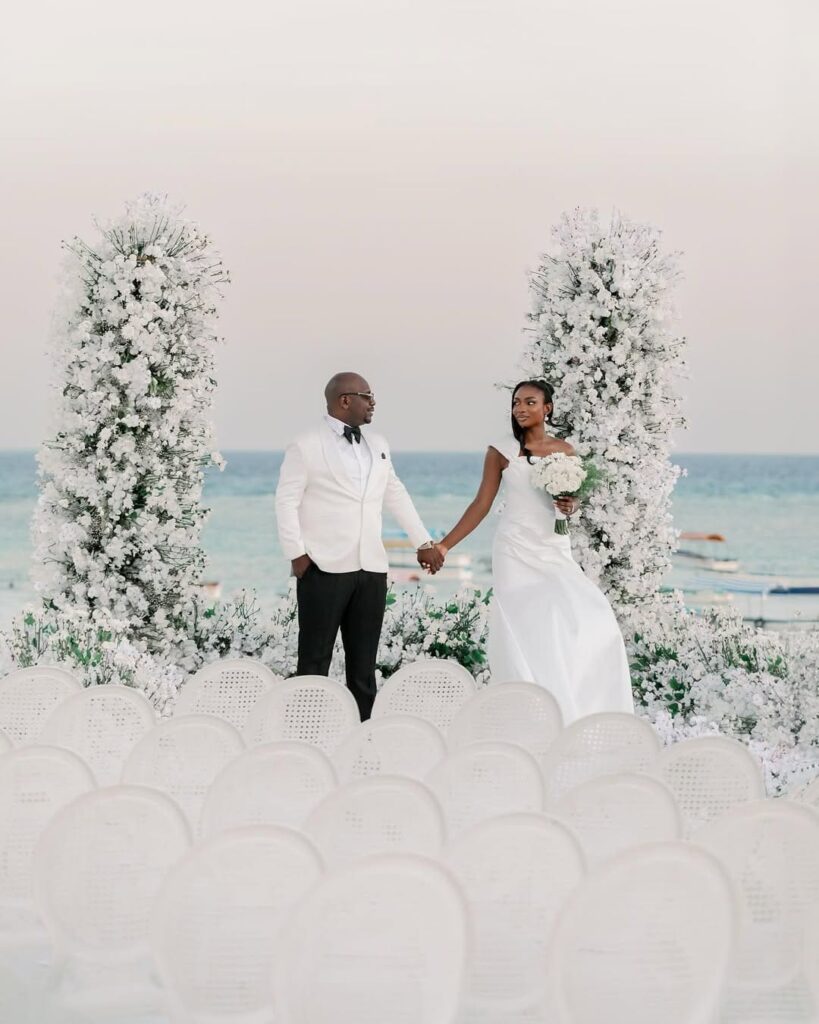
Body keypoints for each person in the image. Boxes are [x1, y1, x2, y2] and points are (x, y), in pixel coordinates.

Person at [433, 379, 634, 723]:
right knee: (523, 625)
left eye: (529, 402)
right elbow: (482, 503)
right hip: (514, 549)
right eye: (516, 403)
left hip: (554, 546)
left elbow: (570, 506)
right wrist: (445, 545)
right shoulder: (501, 451)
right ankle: (524, 712)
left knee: (589, 615)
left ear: (547, 408)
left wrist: (569, 506)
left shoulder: (565, 452)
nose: (520, 409)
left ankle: (575, 706)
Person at [275, 372, 443, 720]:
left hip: (371, 569)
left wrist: (423, 541)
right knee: (313, 662)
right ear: (345, 400)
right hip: (323, 568)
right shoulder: (306, 444)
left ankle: (365, 738)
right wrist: (297, 555)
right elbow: (285, 501)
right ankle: (304, 737)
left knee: (364, 667)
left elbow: (394, 493)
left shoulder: (378, 443)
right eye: (367, 396)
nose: (373, 403)